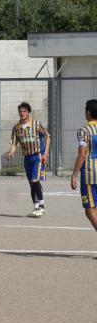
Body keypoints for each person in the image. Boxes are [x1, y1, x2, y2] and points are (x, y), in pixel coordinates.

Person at [6, 102, 50, 217]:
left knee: (35, 180)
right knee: (31, 183)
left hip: (37, 156)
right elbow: (14, 143)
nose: (22, 113)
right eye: (20, 111)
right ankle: (36, 207)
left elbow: (47, 136)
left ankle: (42, 206)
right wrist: (11, 152)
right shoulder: (16, 128)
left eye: (24, 111)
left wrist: (46, 153)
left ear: (28, 112)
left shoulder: (36, 124)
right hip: (27, 158)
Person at [71, 99, 97, 232]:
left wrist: (74, 175)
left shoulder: (84, 131)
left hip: (90, 174)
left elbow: (82, 153)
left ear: (88, 112)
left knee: (90, 209)